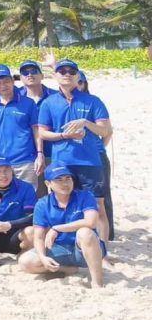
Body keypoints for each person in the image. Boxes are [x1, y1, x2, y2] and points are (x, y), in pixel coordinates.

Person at [38, 59, 112, 239]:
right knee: (61, 202)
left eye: (71, 71)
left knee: (97, 205)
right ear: (55, 75)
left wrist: (85, 123)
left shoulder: (93, 101)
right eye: (62, 71)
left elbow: (105, 131)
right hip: (62, 163)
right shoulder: (49, 102)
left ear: (78, 76)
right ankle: (63, 242)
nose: (67, 74)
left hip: (89, 162)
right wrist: (64, 135)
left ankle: (102, 248)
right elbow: (42, 133)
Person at [17, 165, 106, 288]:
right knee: (25, 262)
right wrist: (42, 257)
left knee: (85, 232)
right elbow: (39, 237)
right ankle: (67, 269)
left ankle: (97, 282)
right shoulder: (42, 204)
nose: (65, 183)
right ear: (48, 184)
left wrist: (57, 228)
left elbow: (91, 222)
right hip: (59, 249)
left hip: (84, 249)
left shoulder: (85, 196)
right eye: (59, 180)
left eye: (68, 178)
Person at [0, 65, 42, 186]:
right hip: (1, 163)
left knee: (28, 195)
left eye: (6, 81)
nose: (3, 86)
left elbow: (36, 130)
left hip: (25, 161)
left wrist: (40, 154)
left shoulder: (28, 103)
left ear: (13, 81)